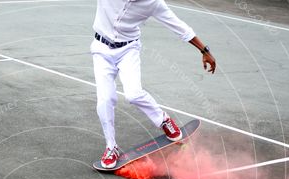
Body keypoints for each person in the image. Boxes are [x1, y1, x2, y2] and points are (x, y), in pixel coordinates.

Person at [92, 0, 216, 169]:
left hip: (128, 50)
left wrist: (204, 51)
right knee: (105, 99)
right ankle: (111, 147)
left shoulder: (153, 3)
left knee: (133, 94)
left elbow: (178, 25)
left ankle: (164, 120)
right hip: (101, 50)